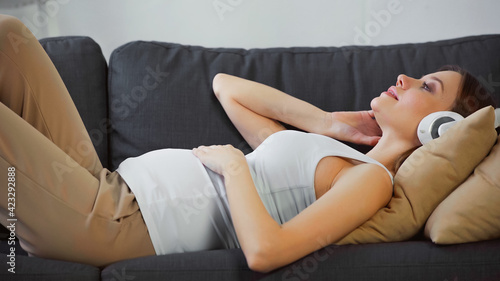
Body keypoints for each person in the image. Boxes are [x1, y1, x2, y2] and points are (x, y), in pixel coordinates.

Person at [0, 14, 496, 273]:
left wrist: (235, 167)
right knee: (12, 38)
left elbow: (265, 251)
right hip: (105, 185)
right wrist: (327, 122)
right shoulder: (340, 157)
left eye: (427, 88)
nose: (406, 77)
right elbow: (226, 86)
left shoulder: (370, 182)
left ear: (442, 129)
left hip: (113, 221)